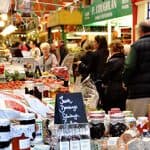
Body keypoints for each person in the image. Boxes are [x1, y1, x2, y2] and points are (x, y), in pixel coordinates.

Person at [123, 21, 150, 118]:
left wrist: (125, 82)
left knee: (138, 123)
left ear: (140, 31)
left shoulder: (136, 45)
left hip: (139, 92)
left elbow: (129, 66)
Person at [77, 35, 109, 107]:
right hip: (105, 80)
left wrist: (81, 64)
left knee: (95, 101)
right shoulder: (107, 52)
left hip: (96, 80)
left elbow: (89, 69)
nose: (94, 43)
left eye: (95, 42)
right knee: (103, 101)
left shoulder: (95, 54)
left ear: (99, 43)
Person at [102, 40, 126, 113]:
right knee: (121, 111)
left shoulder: (111, 61)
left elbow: (104, 76)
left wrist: (104, 83)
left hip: (112, 89)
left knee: (111, 112)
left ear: (112, 49)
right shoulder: (125, 60)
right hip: (123, 90)